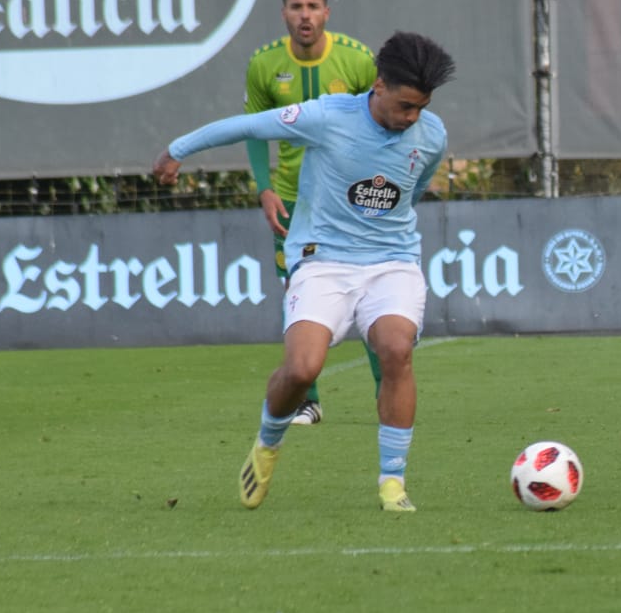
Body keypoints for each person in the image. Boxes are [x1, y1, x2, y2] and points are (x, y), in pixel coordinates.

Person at [153, 32, 456, 513]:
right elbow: (248, 126)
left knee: (396, 349)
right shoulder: (325, 117)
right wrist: (177, 150)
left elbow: (411, 190)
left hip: (392, 261)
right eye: (405, 106)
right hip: (323, 261)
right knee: (302, 369)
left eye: (420, 107)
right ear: (379, 85)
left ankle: (392, 483)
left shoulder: (431, 133)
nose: (412, 118)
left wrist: (391, 234)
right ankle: (267, 444)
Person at [244, 0, 382, 425]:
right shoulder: (264, 65)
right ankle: (309, 400)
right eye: (296, 7)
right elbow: (253, 131)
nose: (305, 16)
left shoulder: (357, 60)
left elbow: (381, 124)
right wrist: (264, 188)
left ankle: (387, 391)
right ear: (284, 13)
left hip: (347, 199)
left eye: (312, 7)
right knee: (296, 293)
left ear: (327, 12)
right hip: (292, 201)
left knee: (367, 295)